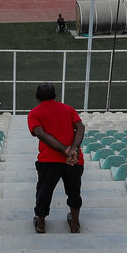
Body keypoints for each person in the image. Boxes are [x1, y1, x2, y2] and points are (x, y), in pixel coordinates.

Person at [28, 82, 84, 234]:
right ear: (55, 95)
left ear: (36, 96)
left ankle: (40, 224)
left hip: (49, 161)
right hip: (74, 159)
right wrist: (73, 149)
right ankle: (75, 224)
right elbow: (80, 127)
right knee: (74, 192)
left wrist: (64, 150)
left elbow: (40, 133)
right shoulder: (68, 109)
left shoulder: (34, 113)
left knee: (44, 192)